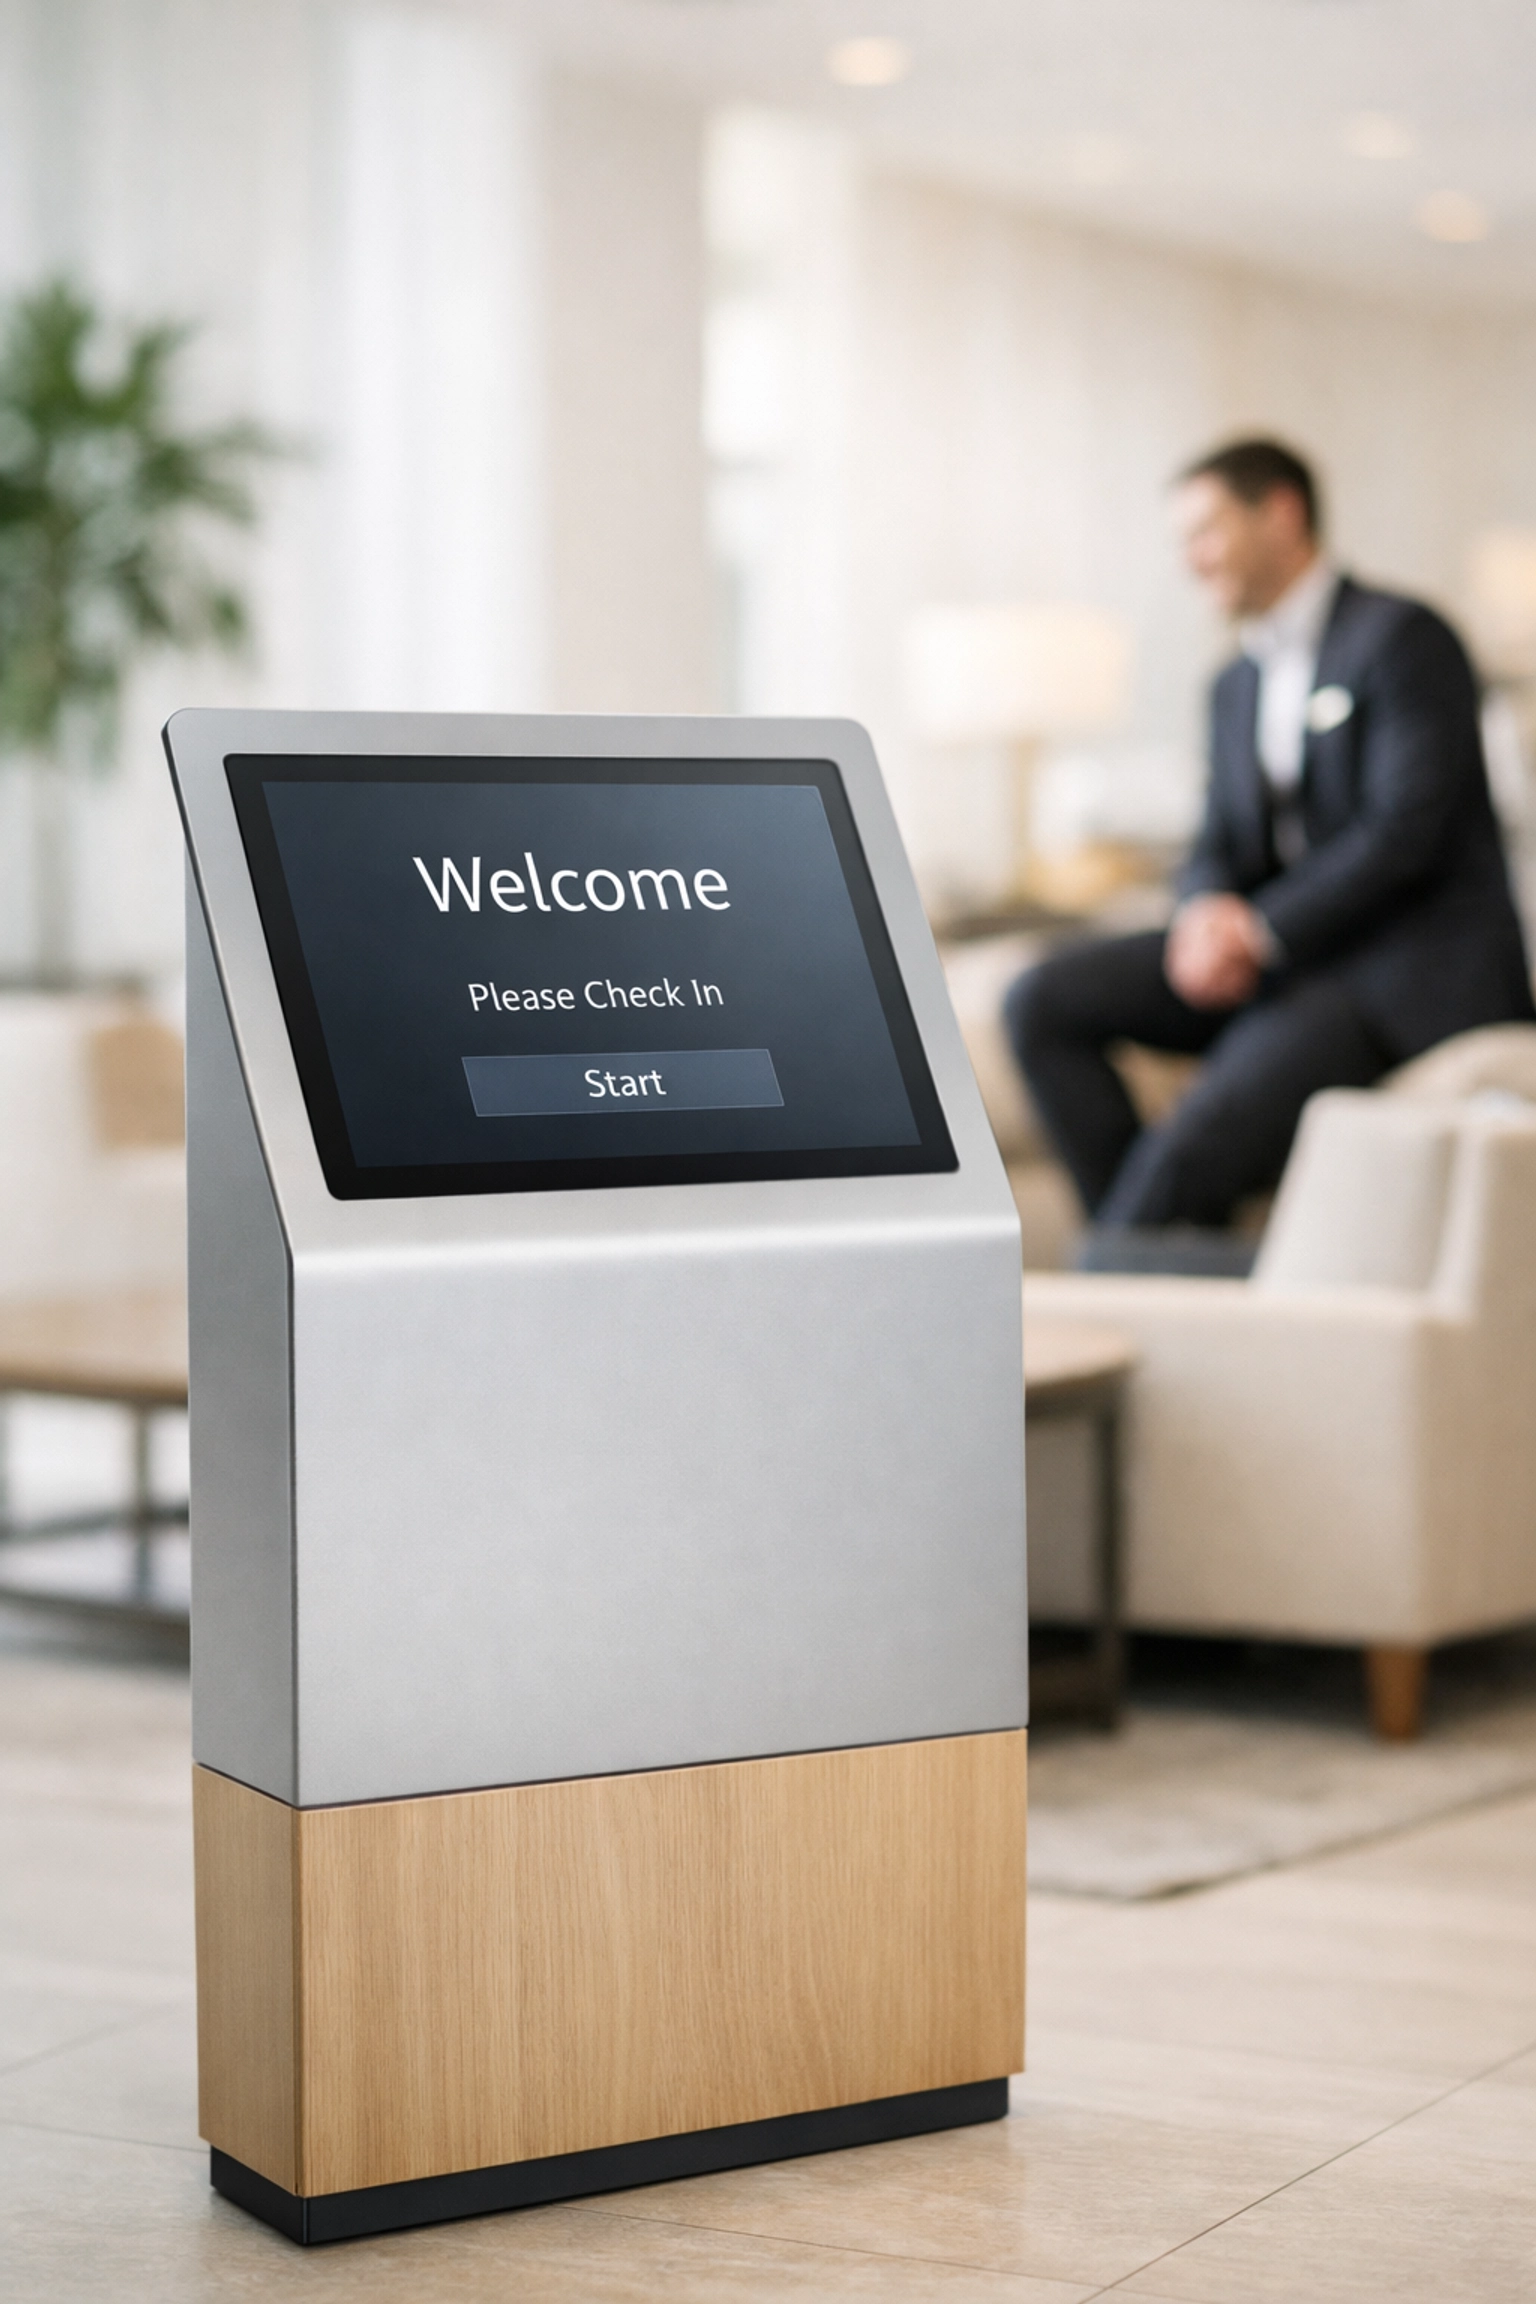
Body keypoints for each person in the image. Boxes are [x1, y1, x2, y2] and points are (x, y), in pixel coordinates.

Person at [1005, 437, 1536, 1241]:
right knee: (1041, 1001)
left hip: (1388, 971)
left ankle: (1131, 1254)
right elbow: (1216, 837)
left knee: (1189, 1149)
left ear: (1281, 514)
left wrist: (1258, 929)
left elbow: (1404, 832)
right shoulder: (1234, 683)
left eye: (1206, 531)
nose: (1191, 561)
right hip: (1280, 964)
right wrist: (1203, 915)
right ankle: (1153, 1253)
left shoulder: (1404, 640)